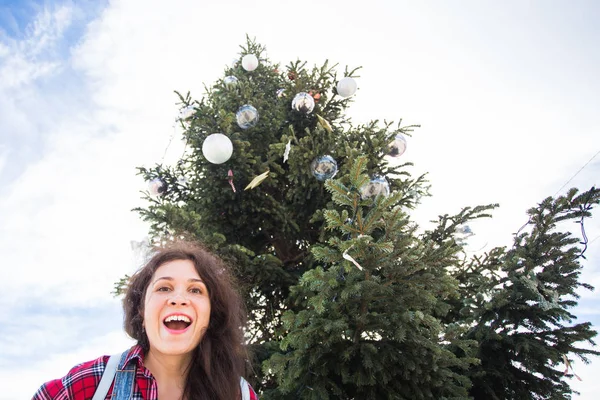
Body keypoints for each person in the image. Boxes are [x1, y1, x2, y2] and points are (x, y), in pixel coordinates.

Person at [33, 240, 258, 400]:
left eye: (195, 290)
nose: (178, 299)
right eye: (164, 288)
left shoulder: (240, 395)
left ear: (211, 315)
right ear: (141, 311)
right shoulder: (93, 383)